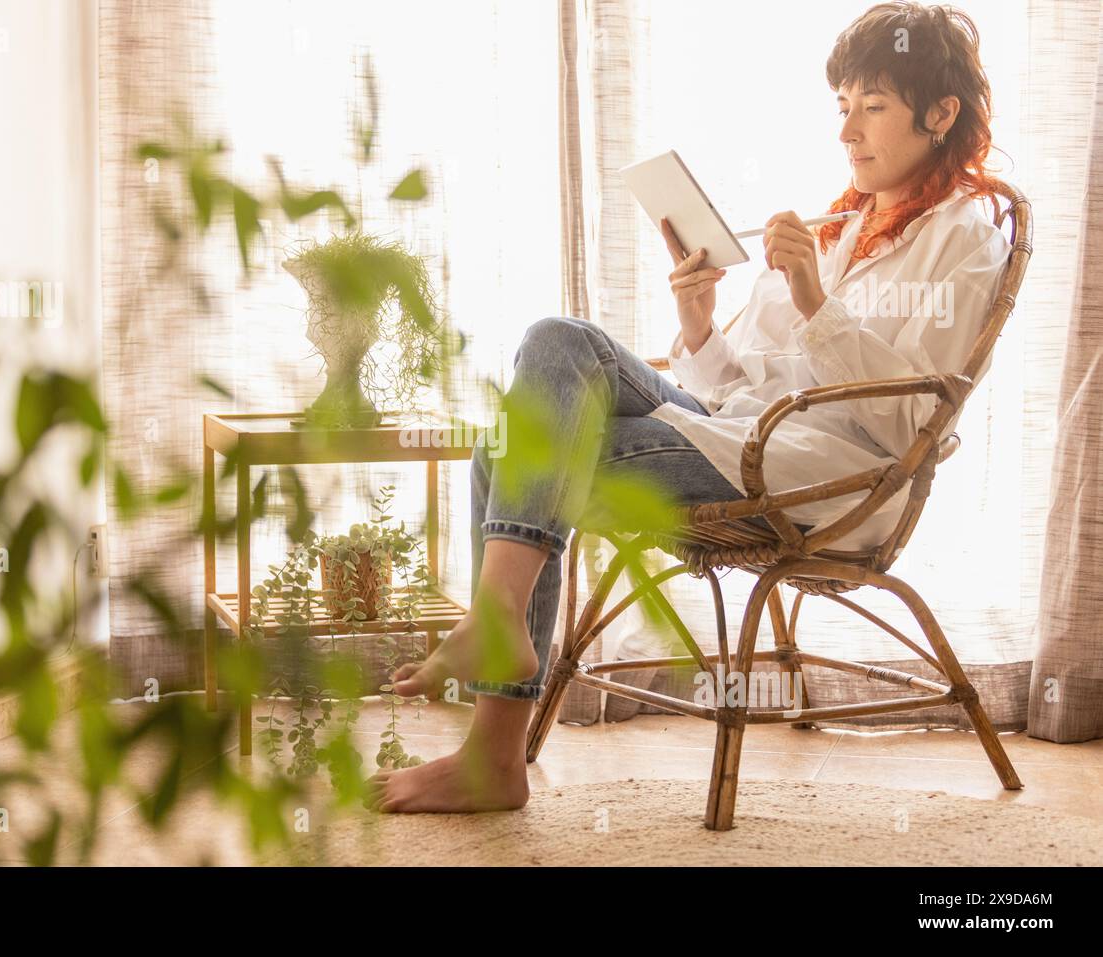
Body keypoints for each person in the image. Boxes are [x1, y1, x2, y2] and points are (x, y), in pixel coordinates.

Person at [364, 1, 1012, 813]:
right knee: (550, 358)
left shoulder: (963, 238)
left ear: (942, 114)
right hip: (739, 438)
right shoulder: (836, 227)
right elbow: (728, 390)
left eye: (873, 107)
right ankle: (496, 684)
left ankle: (494, 740)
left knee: (516, 443)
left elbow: (908, 421)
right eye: (843, 107)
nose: (848, 132)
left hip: (827, 476)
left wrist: (815, 300)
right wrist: (700, 323)